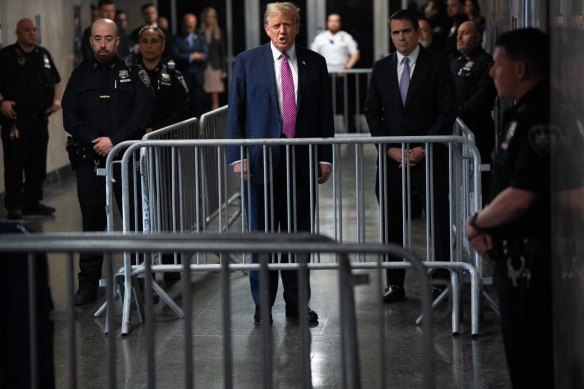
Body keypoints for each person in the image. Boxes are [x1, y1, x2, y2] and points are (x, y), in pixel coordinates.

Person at [227, 2, 334, 325]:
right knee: (262, 236)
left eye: (288, 25)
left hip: (301, 160)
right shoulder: (247, 62)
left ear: (297, 28)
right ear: (266, 29)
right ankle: (263, 306)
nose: (282, 31)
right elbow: (236, 112)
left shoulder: (315, 63)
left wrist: (324, 155)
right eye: (276, 26)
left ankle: (297, 304)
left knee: (298, 236)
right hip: (259, 162)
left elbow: (323, 113)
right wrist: (237, 155)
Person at [464, 28, 553, 388]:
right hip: (514, 258)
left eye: (496, 64)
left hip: (532, 264)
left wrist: (478, 223)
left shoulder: (538, 117)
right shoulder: (521, 113)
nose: (490, 72)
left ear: (518, 70)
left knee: (532, 358)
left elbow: (522, 194)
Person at [365, 9, 457, 303]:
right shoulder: (381, 68)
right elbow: (372, 111)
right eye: (395, 32)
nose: (401, 38)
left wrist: (424, 147)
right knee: (392, 221)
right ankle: (395, 283)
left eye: (406, 31)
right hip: (392, 160)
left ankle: (441, 279)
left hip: (428, 157)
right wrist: (388, 148)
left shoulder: (438, 65)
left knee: (438, 220)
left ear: (418, 33)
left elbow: (447, 110)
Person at [62, 18, 154, 305]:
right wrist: (95, 140)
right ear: (91, 42)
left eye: (108, 39)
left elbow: (142, 113)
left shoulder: (133, 73)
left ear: (118, 41)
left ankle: (139, 280)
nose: (103, 44)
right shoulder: (80, 75)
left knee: (133, 221)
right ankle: (88, 285)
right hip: (90, 160)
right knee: (92, 223)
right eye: (97, 39)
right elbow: (69, 116)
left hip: (123, 159)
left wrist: (113, 140)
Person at [0, 18, 61, 220]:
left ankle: (32, 202)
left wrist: (56, 100)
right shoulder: (6, 55)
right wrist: (2, 102)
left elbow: (56, 80)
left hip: (39, 119)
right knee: (15, 165)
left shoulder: (42, 55)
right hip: (16, 120)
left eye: (34, 30)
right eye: (27, 30)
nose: (32, 33)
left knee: (37, 165)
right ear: (17, 32)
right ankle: (14, 205)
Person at [450, 20, 496, 201]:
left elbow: (481, 99)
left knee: (480, 180)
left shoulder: (486, 63)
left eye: (465, 33)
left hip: (478, 130)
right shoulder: (454, 63)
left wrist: (454, 113)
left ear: (478, 37)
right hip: (454, 133)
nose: (459, 37)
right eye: (458, 33)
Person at [310, 13, 360, 132]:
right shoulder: (320, 38)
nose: (333, 23)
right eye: (331, 21)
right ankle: (322, 129)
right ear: (328, 23)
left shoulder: (346, 37)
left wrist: (347, 67)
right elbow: (312, 55)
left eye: (336, 21)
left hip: (341, 76)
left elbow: (355, 54)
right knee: (323, 102)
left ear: (339, 23)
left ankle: (350, 129)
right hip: (325, 76)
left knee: (346, 103)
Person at [137, 25, 189, 132]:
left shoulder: (174, 76)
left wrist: (156, 130)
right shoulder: (132, 75)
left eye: (154, 41)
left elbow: (182, 110)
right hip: (135, 140)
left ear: (162, 45)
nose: (149, 45)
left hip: (166, 138)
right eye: (145, 41)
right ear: (139, 45)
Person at [170, 13, 208, 118]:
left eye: (191, 25)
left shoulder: (200, 38)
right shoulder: (176, 39)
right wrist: (192, 56)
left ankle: (199, 132)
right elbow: (175, 54)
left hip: (197, 79)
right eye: (187, 25)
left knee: (198, 108)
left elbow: (204, 54)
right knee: (184, 109)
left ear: (195, 25)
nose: (189, 28)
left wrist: (196, 56)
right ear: (182, 24)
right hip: (183, 79)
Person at [200, 7, 227, 111]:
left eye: (211, 17)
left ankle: (214, 119)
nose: (209, 19)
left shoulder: (218, 32)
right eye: (207, 17)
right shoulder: (200, 32)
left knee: (215, 96)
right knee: (205, 94)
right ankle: (205, 118)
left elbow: (222, 53)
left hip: (216, 67)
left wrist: (224, 70)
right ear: (204, 18)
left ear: (214, 18)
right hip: (204, 67)